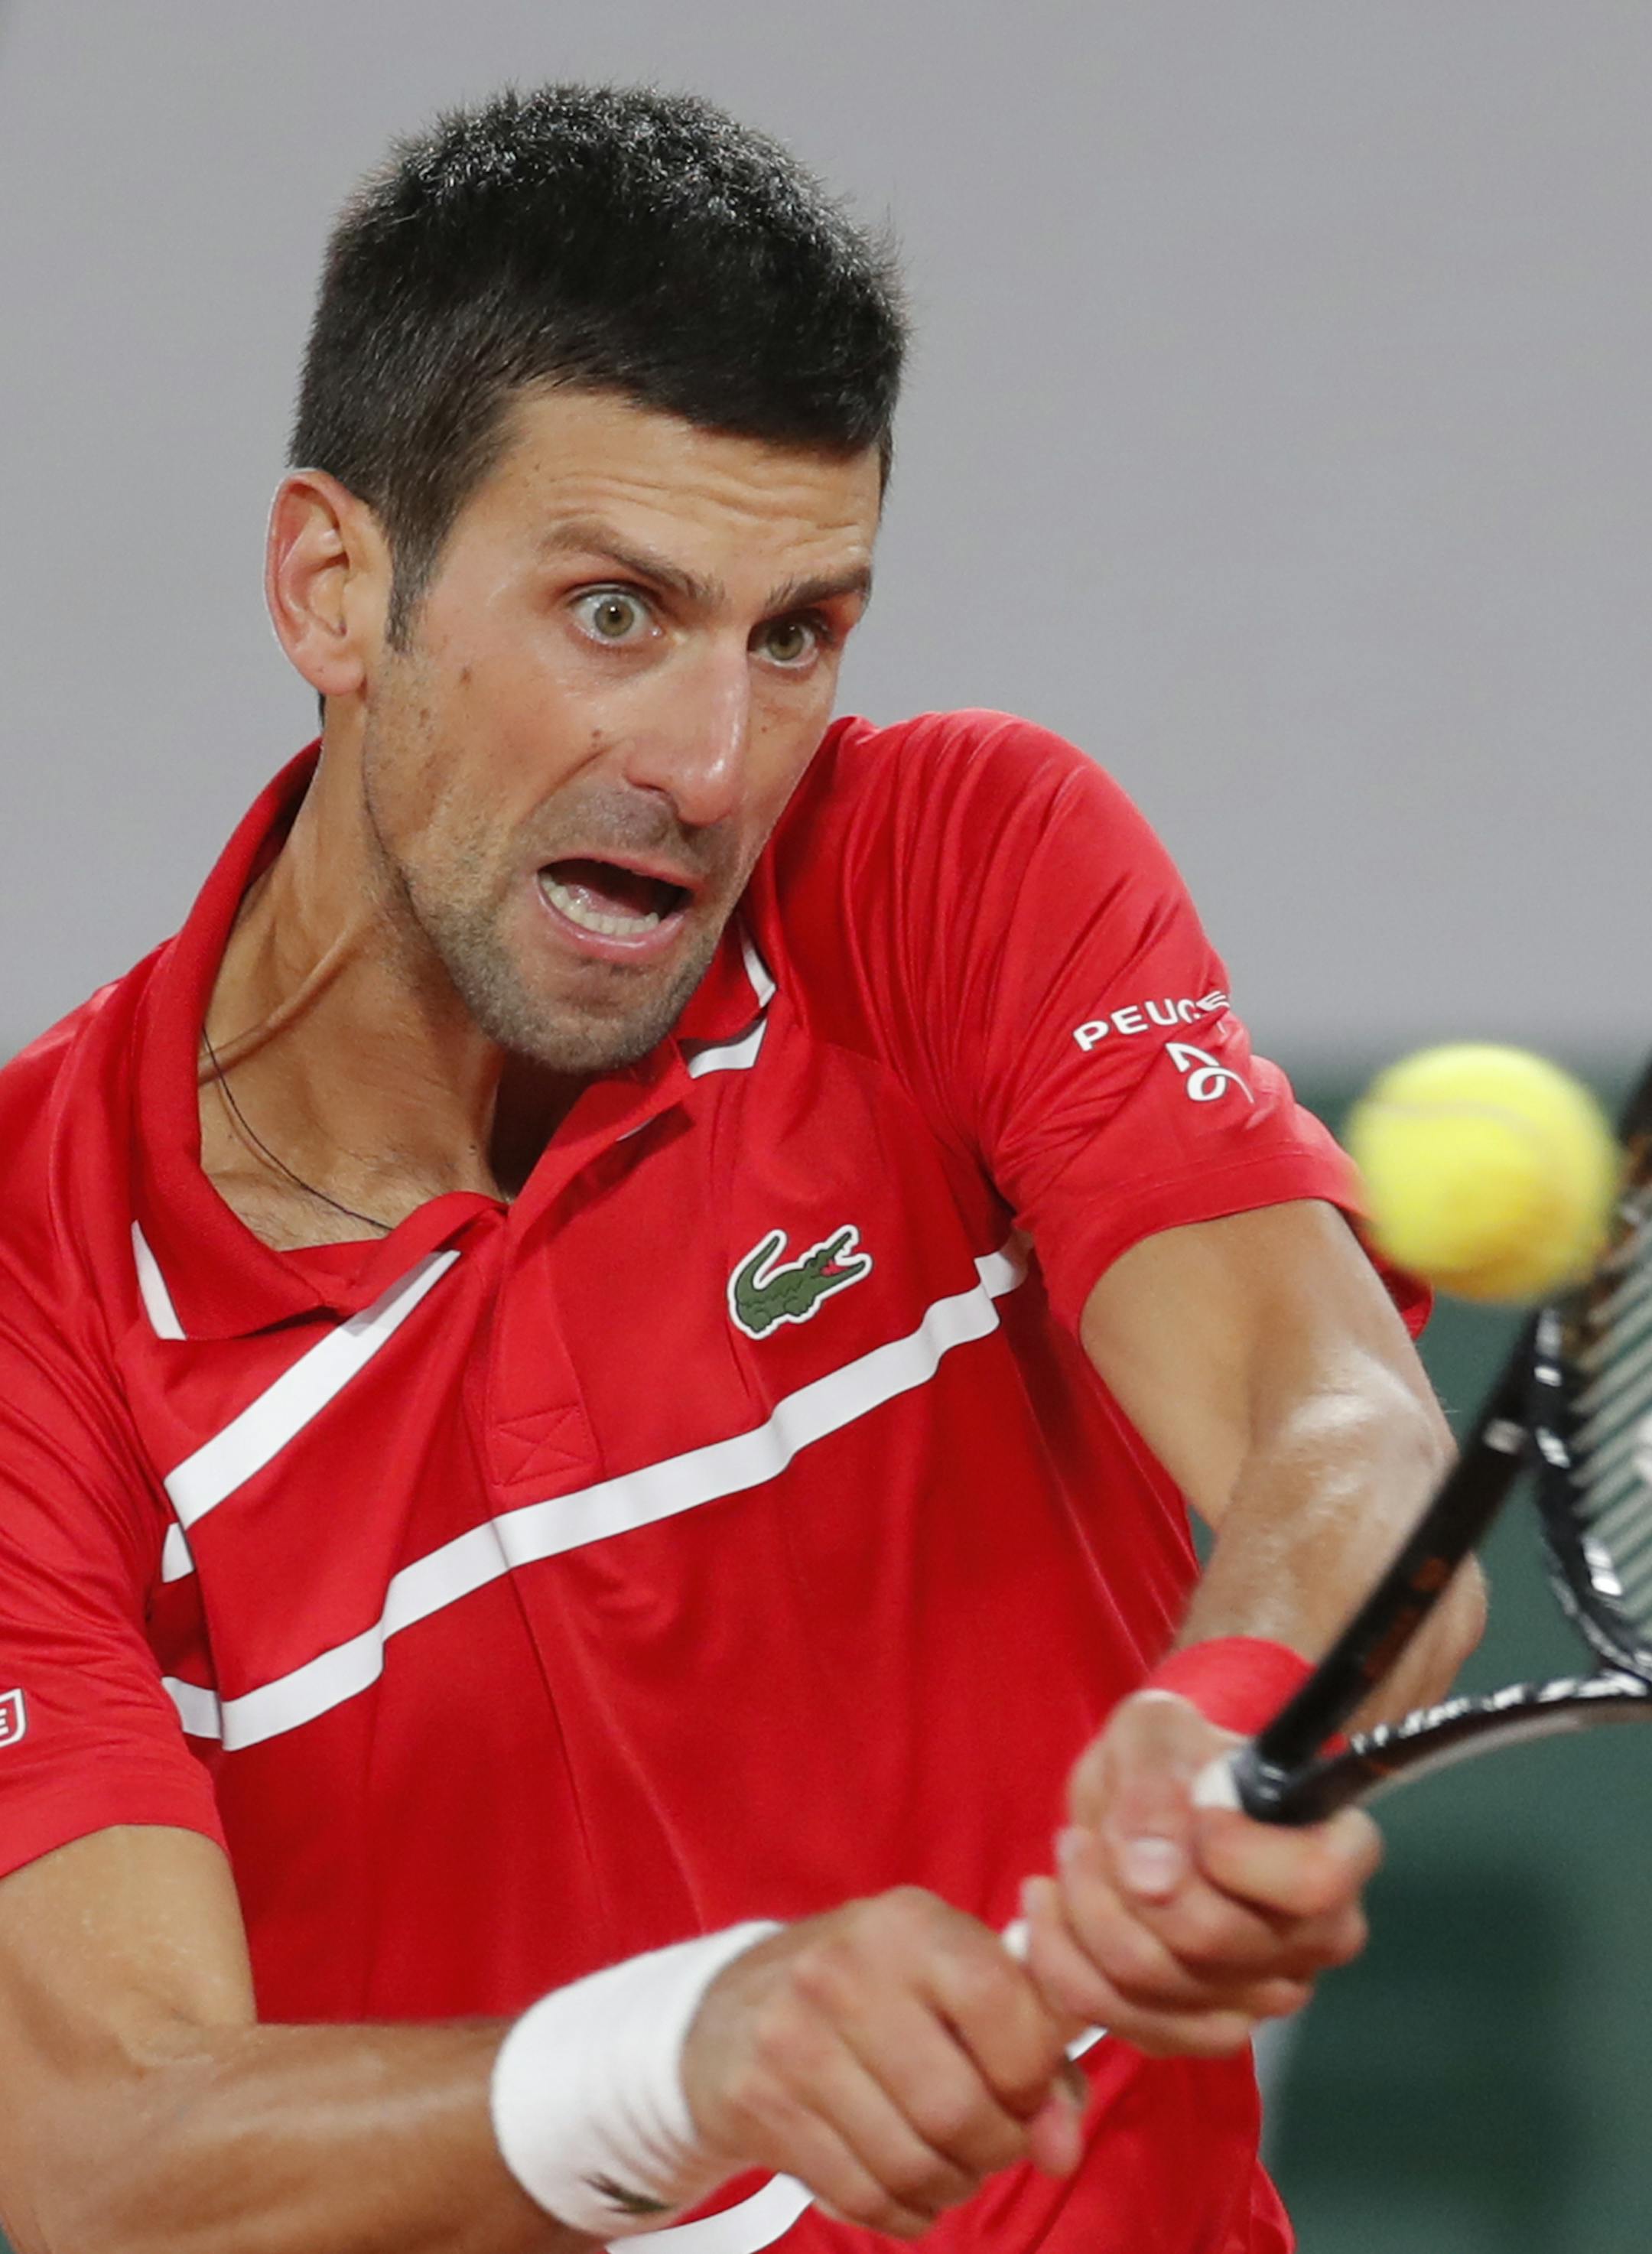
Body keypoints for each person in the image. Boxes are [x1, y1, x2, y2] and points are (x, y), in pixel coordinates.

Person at [0, 84, 1481, 2254]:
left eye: (795, 633)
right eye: (619, 612)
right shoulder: (39, 1277)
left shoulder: (955, 869)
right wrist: (683, 2059)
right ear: (336, 586)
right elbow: (93, 2151)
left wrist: (1224, 1715)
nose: (708, 764)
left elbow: (1329, 1426)